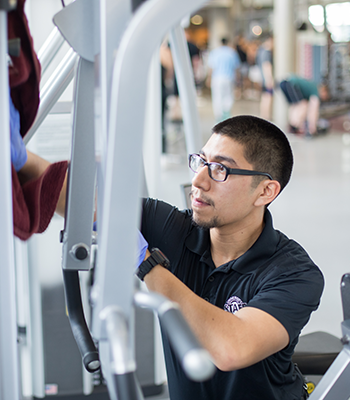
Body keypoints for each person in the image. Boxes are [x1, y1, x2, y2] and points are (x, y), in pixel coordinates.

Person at [137, 115, 324, 400]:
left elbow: (230, 348)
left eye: (220, 169)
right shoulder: (175, 231)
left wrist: (147, 264)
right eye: (201, 162)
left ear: (265, 191)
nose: (198, 180)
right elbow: (78, 198)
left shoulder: (295, 273)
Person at [207, 38, 240, 122]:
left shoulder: (215, 52)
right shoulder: (232, 52)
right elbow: (236, 67)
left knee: (217, 97)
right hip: (229, 78)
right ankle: (226, 115)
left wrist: (209, 78)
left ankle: (219, 117)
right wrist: (238, 79)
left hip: (217, 78)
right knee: (228, 96)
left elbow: (211, 67)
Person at [256, 35, 274, 120]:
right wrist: (269, 79)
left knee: (264, 97)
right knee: (267, 97)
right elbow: (266, 66)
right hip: (266, 79)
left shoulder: (260, 51)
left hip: (263, 78)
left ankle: (264, 115)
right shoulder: (266, 52)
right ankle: (266, 116)